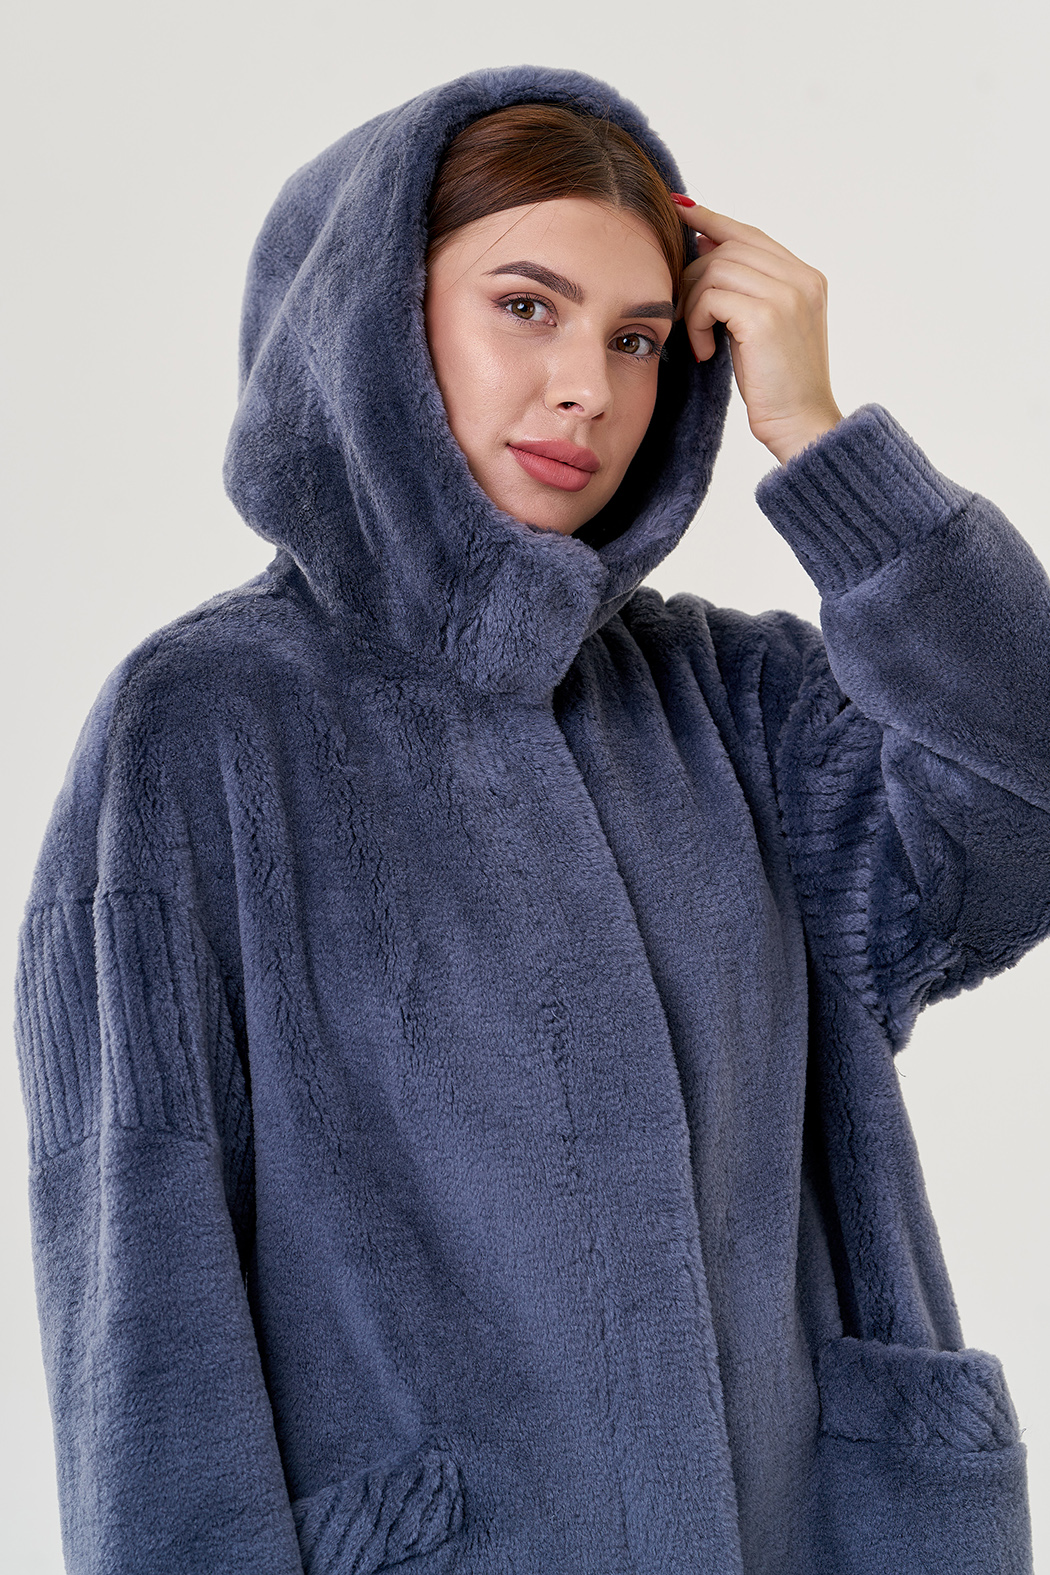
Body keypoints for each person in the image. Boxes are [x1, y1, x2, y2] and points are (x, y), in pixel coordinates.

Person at [13, 62, 1049, 1575]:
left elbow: (1023, 796)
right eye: (524, 306)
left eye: (637, 338)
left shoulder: (736, 704)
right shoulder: (201, 726)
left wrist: (826, 446)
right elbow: (143, 1280)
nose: (589, 388)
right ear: (375, 325)